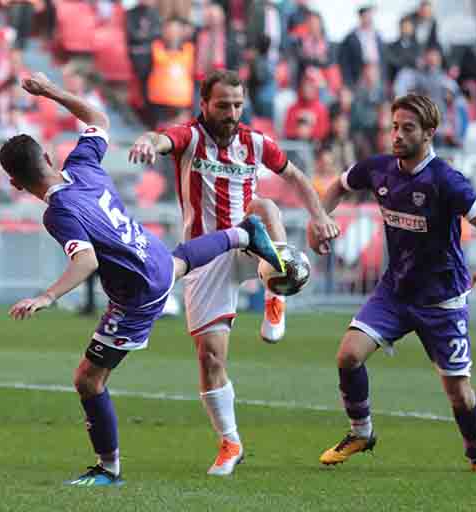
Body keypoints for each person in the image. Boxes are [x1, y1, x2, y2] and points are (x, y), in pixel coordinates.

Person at [0, 72, 285, 486]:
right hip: (151, 256)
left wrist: (47, 296)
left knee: (88, 380)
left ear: (14, 183)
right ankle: (244, 234)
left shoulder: (56, 212)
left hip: (136, 294)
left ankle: (108, 469)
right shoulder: (81, 164)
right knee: (179, 263)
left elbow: (86, 261)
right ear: (47, 155)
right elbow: (98, 116)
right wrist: (50, 91)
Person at [128, 69, 340, 475]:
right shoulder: (190, 136)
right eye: (223, 105)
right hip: (205, 255)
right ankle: (230, 442)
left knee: (266, 208)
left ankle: (275, 299)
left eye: (238, 105)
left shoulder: (254, 142)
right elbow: (163, 139)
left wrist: (318, 217)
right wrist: (147, 142)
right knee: (209, 358)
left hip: (249, 243)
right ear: (204, 105)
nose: (231, 113)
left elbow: (295, 176)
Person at [316, 93, 476, 476]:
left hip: (441, 300)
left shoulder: (446, 180)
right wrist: (318, 219)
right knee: (348, 355)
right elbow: (339, 185)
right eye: (394, 127)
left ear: (429, 133)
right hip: (395, 291)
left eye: (408, 128)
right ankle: (361, 432)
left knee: (458, 392)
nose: (397, 135)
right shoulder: (379, 169)